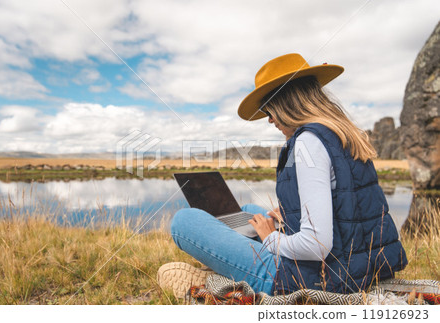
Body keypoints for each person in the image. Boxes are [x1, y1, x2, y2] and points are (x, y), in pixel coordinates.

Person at [158, 53, 407, 298]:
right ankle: (232, 259)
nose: (269, 120)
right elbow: (348, 210)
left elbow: (317, 245)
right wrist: (290, 218)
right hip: (358, 267)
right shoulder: (343, 134)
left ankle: (225, 274)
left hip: (312, 279)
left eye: (269, 111)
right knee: (249, 210)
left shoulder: (308, 141)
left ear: (286, 103)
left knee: (184, 221)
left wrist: (271, 240)